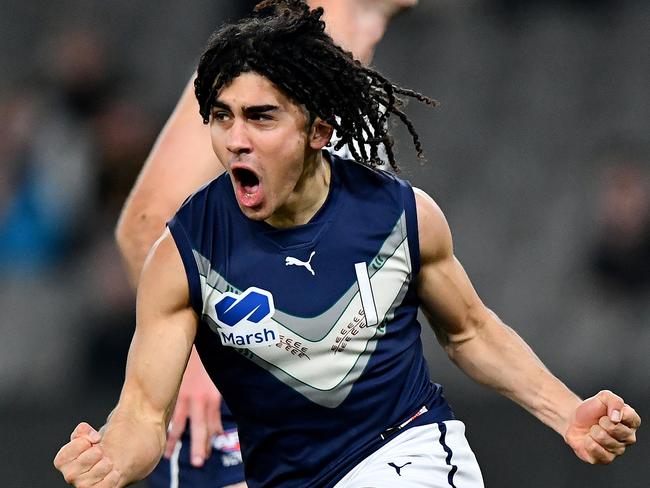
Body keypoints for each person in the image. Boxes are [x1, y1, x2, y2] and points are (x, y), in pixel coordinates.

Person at [55, 1, 640, 487]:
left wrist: (567, 412)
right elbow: (142, 414)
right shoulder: (184, 253)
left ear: (319, 131)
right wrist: (111, 459)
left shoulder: (399, 213)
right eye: (221, 117)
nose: (235, 140)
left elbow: (469, 331)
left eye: (261, 118)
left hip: (406, 452)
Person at [115, 0, 417, 486]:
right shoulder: (268, 63)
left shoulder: (338, 55)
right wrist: (194, 365)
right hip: (237, 398)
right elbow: (147, 221)